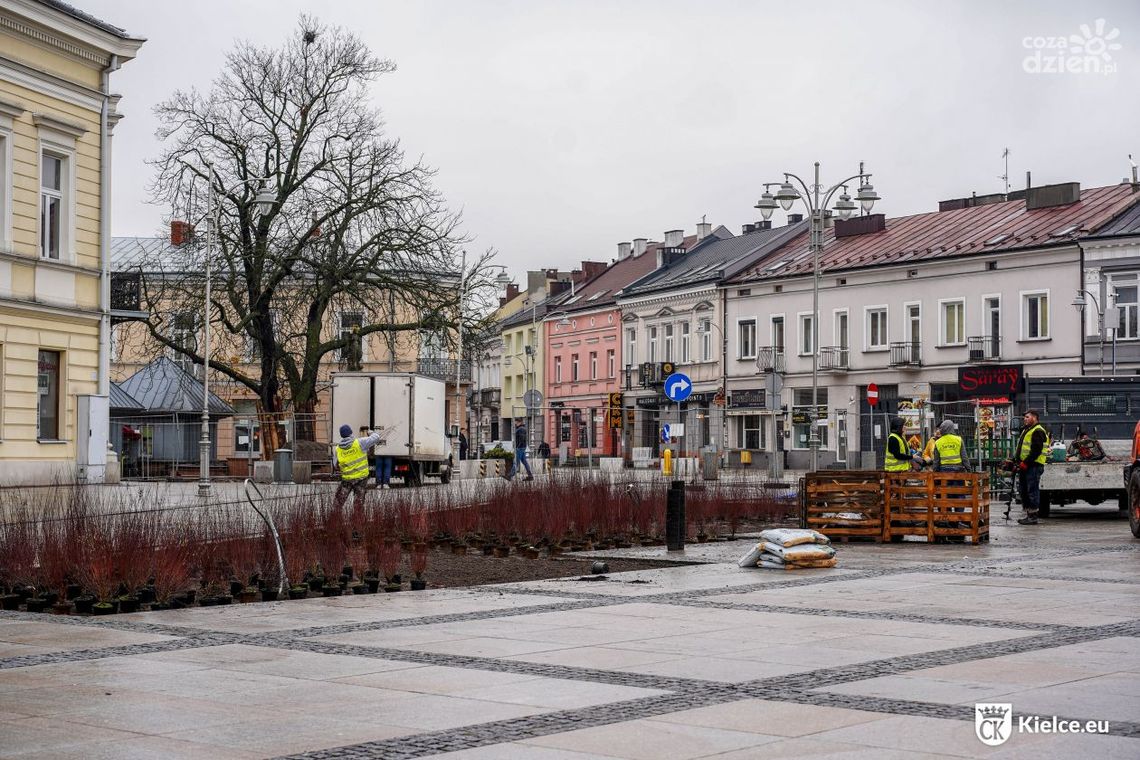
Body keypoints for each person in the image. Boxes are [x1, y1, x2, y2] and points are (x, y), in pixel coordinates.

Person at [333, 424, 383, 518]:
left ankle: (335, 523)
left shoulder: (338, 449)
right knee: (358, 505)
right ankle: (357, 526)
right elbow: (376, 437)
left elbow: (335, 465)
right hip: (361, 480)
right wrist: (370, 432)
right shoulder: (360, 442)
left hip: (346, 480)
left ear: (341, 435)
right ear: (351, 433)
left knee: (338, 504)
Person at [1013, 409, 1050, 525]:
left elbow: (1036, 450)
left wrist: (1026, 462)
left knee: (1032, 490)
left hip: (1033, 466)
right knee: (1025, 490)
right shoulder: (1027, 430)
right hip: (1027, 465)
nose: (1025, 419)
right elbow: (1022, 449)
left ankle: (1033, 516)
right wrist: (1016, 461)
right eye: (1024, 417)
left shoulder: (1037, 430)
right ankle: (1029, 514)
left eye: (1027, 417)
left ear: (1034, 418)